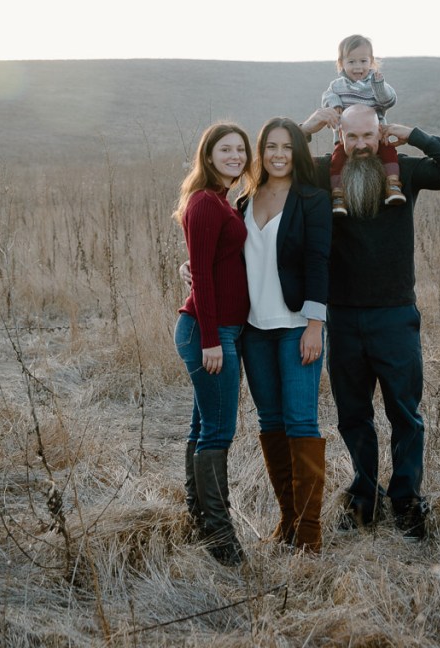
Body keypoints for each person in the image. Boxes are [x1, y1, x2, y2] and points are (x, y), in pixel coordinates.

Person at [299, 103, 440, 539]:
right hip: (343, 316)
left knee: (405, 414)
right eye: (351, 137)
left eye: (368, 136)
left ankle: (407, 501)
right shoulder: (322, 173)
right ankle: (364, 499)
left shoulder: (405, 172)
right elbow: (273, 164)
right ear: (340, 137)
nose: (360, 145)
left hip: (395, 315)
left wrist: (414, 134)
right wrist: (308, 126)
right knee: (353, 415)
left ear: (380, 135)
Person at [237, 117, 331, 553]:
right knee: (271, 423)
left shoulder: (312, 199)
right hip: (254, 331)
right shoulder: (245, 200)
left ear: (298, 152)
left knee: (301, 422)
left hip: (296, 328)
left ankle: (309, 536)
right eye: (271, 146)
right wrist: (189, 267)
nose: (278, 155)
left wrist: (315, 325)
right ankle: (288, 521)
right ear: (261, 152)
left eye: (287, 147)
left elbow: (319, 261)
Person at [172, 122, 252, 566]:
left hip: (222, 330)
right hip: (209, 331)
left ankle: (199, 518)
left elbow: (208, 262)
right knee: (218, 431)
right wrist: (210, 340)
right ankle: (222, 539)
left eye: (240, 149)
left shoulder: (223, 200)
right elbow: (200, 274)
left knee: (203, 427)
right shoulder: (205, 202)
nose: (235, 156)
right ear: (208, 155)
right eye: (226, 149)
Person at [321, 33, 406, 215]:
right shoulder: (337, 86)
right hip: (346, 139)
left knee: (389, 152)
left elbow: (389, 101)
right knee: (337, 161)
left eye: (363, 61)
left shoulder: (376, 83)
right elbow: (328, 97)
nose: (358, 67)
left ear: (371, 62)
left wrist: (379, 86)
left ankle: (392, 185)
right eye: (351, 62)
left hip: (377, 135)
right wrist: (335, 104)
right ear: (341, 63)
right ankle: (338, 195)